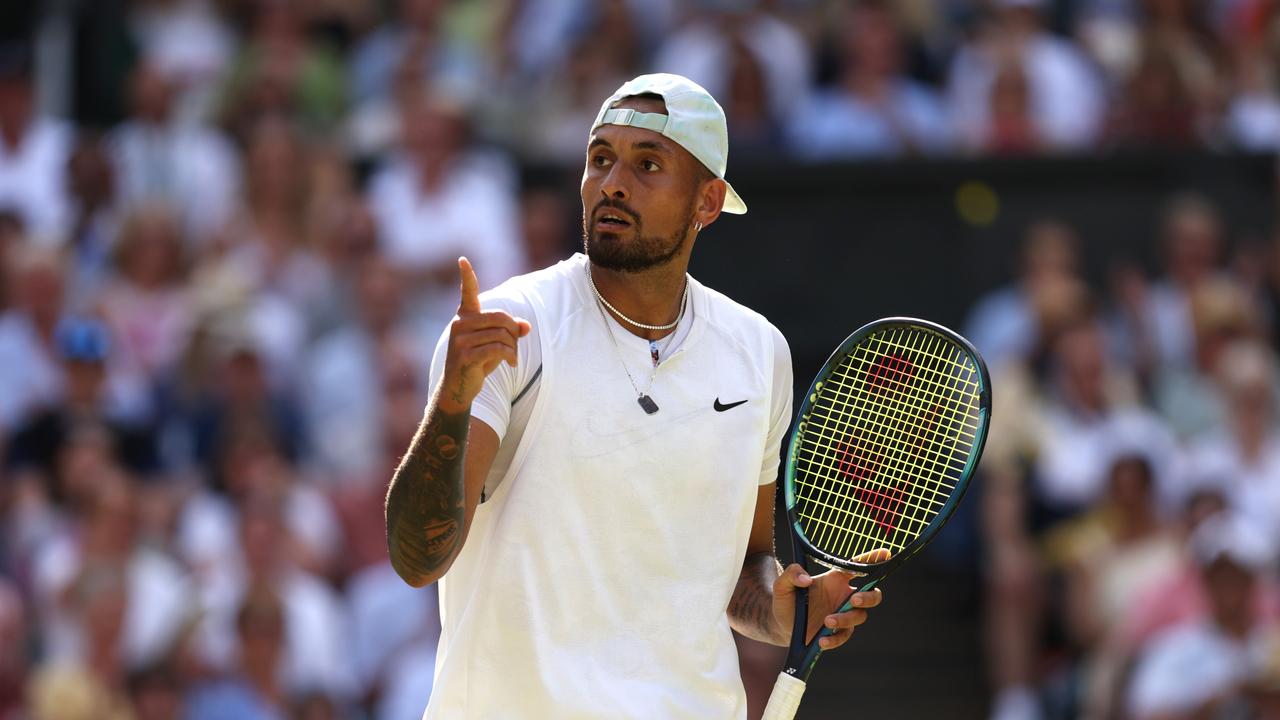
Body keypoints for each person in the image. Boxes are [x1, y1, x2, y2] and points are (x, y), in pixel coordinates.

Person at [384, 73, 883, 718]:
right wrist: (452, 404)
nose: (612, 184)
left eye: (648, 164)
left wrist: (783, 609)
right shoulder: (512, 326)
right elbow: (418, 558)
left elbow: (741, 568)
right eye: (600, 160)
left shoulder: (760, 353)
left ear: (707, 202)